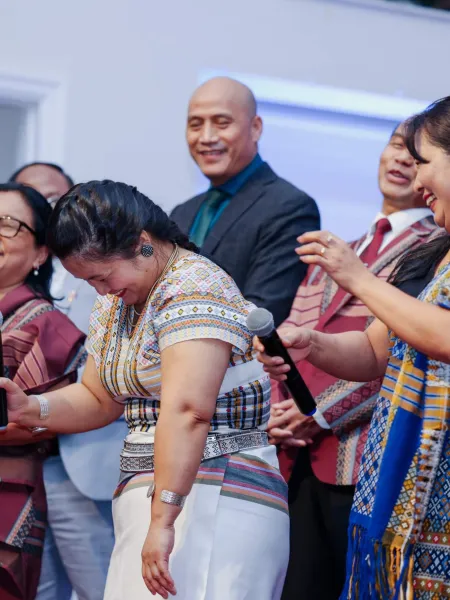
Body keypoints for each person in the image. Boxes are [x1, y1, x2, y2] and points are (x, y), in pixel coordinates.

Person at [0, 180, 290, 600]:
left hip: (215, 496)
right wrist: (31, 408)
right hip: (155, 499)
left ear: (142, 244)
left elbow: (188, 412)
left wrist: (163, 520)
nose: (100, 290)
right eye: (88, 281)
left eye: (101, 276)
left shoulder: (194, 284)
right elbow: (98, 398)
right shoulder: (119, 299)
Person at [256, 96, 450, 599]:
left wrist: (359, 279)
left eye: (423, 161)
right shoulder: (439, 254)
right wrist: (310, 344)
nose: (417, 178)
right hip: (410, 476)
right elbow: (373, 352)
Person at [10, 162, 123, 600]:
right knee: (36, 588)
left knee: (98, 585)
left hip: (81, 456)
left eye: (56, 198)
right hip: (22, 468)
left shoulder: (104, 272)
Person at [170, 76, 320, 326]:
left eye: (222, 123)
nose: (206, 137)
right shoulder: (182, 213)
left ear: (256, 128)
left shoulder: (290, 208)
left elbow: (261, 314)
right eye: (195, 125)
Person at [0, 183, 85, 600]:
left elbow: (39, 424)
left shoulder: (47, 325)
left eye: (6, 224)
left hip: (8, 491)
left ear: (40, 253)